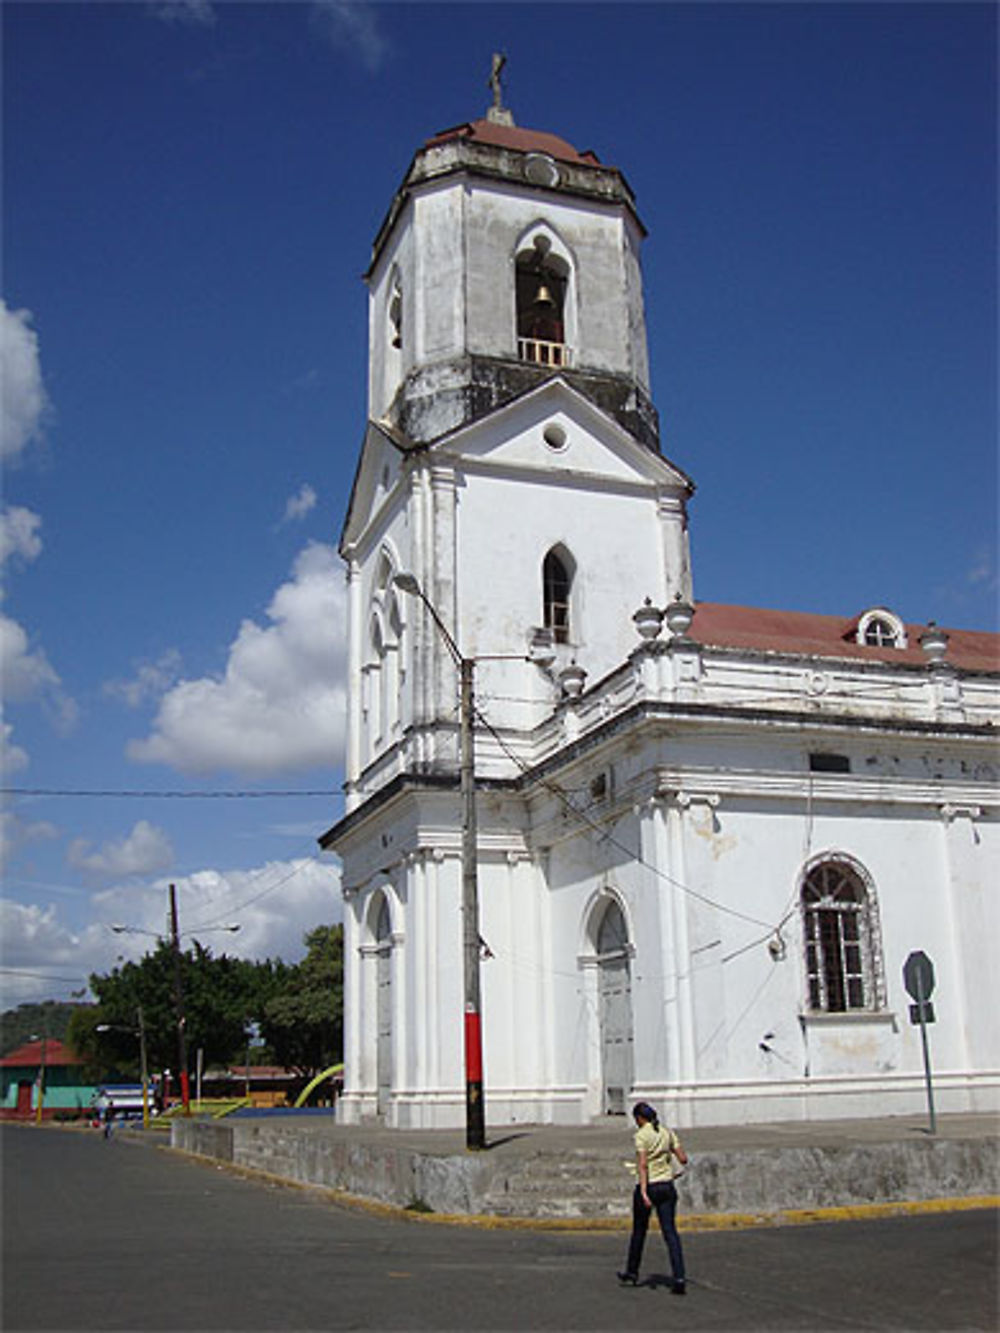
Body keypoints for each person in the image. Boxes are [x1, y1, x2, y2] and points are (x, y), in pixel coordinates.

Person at [617, 1101, 687, 1294]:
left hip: (650, 1186)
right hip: (667, 1186)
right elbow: (683, 1158)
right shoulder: (667, 1132)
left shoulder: (641, 1136)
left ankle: (632, 1272)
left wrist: (644, 1192)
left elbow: (642, 1165)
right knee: (670, 1233)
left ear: (640, 1119)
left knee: (639, 1232)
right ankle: (679, 1277)